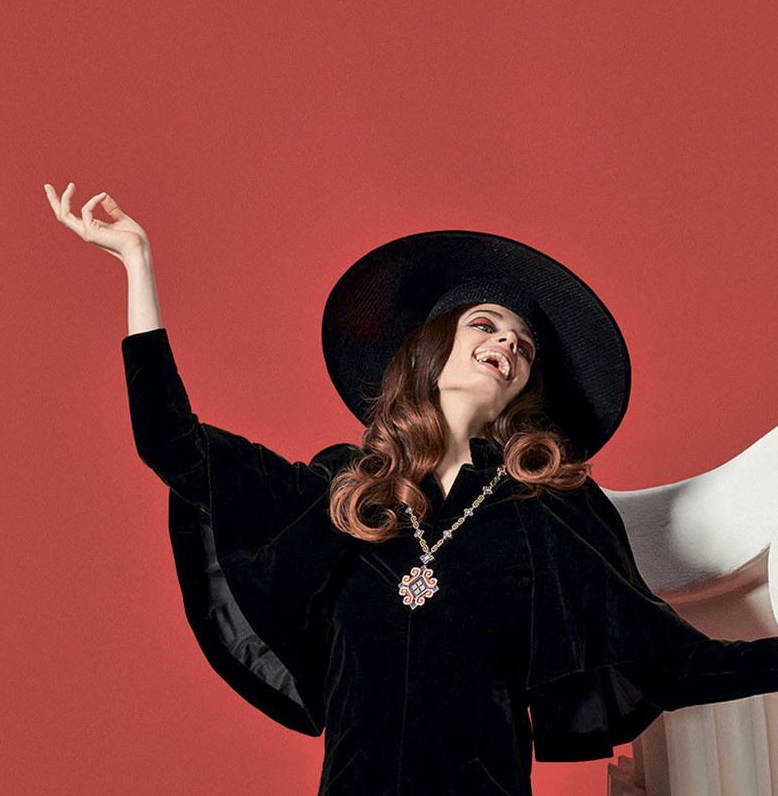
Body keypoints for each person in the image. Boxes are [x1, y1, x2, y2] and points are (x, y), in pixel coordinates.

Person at [45, 182, 778, 796]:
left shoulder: (547, 511)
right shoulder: (343, 492)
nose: (508, 345)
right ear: (434, 346)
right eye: (487, 325)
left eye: (524, 347)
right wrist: (137, 264)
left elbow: (673, 662)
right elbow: (171, 443)